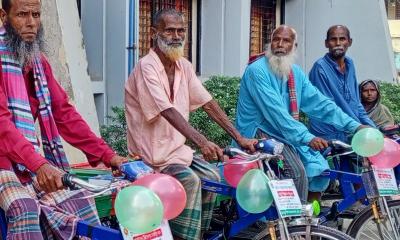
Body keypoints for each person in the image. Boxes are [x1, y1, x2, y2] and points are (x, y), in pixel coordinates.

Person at [124, 9, 257, 240]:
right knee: (191, 181)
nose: (176, 36)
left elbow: (208, 103)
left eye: (181, 30)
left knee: (213, 177)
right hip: (151, 157)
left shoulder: (183, 65)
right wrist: (203, 141)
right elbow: (167, 110)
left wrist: (240, 138)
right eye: (169, 30)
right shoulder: (146, 66)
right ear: (154, 33)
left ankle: (199, 233)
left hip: (177, 153)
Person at [0, 0, 128, 239]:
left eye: (36, 14)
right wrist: (40, 165)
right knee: (24, 208)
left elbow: (64, 113)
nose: (31, 23)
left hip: (29, 161)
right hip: (4, 164)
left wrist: (108, 155)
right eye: (22, 14)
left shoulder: (38, 63)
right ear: (3, 16)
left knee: (78, 201)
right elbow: (2, 125)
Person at [235, 25, 364, 202]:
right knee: (295, 172)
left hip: (285, 132)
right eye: (276, 39)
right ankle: (293, 224)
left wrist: (355, 126)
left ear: (294, 47)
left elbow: (321, 103)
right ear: (269, 43)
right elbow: (276, 114)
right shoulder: (256, 71)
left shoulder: (295, 73)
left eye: (286, 40)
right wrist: (307, 138)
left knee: (320, 168)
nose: (280, 44)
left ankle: (309, 216)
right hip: (258, 131)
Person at [309, 25, 376, 143]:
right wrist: (357, 127)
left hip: (351, 130)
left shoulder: (350, 64)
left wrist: (374, 129)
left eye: (342, 39)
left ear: (350, 42)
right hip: (329, 136)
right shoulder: (320, 68)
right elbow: (327, 108)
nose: (338, 43)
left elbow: (356, 103)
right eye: (333, 39)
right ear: (326, 43)